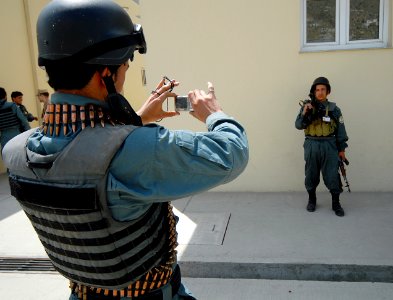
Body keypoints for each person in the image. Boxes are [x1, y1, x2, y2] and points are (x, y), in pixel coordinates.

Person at [2, 1, 249, 299]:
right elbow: (232, 154)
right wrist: (214, 113)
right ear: (105, 73)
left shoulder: (14, 152)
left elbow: (80, 148)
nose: (124, 75)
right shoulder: (135, 151)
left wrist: (137, 120)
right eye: (124, 67)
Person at [295, 77, 348, 217]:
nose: (320, 92)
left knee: (332, 174)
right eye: (317, 90)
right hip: (312, 144)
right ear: (314, 91)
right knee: (311, 173)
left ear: (328, 91)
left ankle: (336, 202)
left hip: (329, 145)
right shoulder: (307, 106)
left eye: (323, 89)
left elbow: (341, 131)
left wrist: (342, 150)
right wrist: (305, 112)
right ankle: (312, 199)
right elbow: (298, 125)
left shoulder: (335, 110)